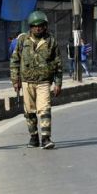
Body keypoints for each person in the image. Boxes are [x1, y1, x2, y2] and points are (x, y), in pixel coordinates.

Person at [10, 11, 63, 149]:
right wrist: (15, 80)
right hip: (27, 81)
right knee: (29, 111)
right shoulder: (23, 41)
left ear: (45, 26)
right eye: (34, 26)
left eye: (40, 26)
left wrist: (58, 83)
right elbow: (15, 60)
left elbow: (58, 63)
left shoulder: (51, 41)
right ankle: (33, 137)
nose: (37, 28)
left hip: (44, 81)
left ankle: (46, 138)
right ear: (30, 27)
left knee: (45, 109)